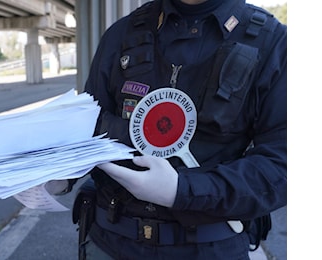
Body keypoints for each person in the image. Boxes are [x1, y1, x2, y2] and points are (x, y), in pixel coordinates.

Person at [59, 0, 286, 259]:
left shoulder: (273, 43)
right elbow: (88, 129)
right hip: (110, 241)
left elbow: (284, 165)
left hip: (209, 248)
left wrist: (182, 190)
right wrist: (54, 174)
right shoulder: (121, 34)